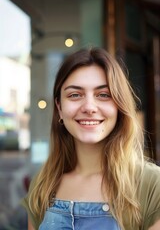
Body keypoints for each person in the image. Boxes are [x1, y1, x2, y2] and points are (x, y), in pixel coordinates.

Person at [22, 47, 160, 230]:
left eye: (103, 95)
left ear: (119, 106)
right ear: (59, 107)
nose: (89, 107)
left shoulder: (153, 185)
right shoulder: (43, 183)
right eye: (75, 95)